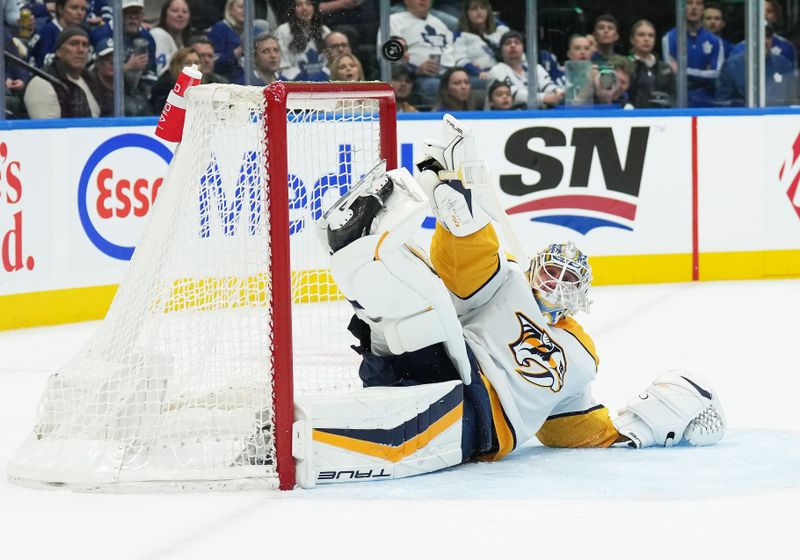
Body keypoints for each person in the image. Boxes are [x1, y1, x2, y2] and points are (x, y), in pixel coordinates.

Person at [296, 113, 727, 486]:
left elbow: (571, 427)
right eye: (551, 271)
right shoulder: (508, 284)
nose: (554, 283)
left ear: (580, 297)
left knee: (415, 310)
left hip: (476, 423)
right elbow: (469, 271)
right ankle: (361, 244)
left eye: (566, 279)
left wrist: (639, 430)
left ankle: (363, 255)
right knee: (416, 304)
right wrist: (459, 222)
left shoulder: (582, 357)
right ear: (535, 268)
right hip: (447, 365)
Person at [386, 0, 456, 107]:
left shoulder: (440, 24)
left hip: (449, 74)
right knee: (434, 86)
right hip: (417, 76)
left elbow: (454, 51)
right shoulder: (394, 21)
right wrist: (415, 70)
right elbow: (388, 57)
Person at [24, 25, 102, 119]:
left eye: (85, 45)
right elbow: (48, 130)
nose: (81, 50)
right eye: (73, 44)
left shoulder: (92, 79)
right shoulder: (42, 82)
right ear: (59, 51)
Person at [715, 23, 796, 106]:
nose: (765, 41)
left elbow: (792, 101)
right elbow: (722, 103)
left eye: (768, 36)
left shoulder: (784, 65)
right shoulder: (731, 66)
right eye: (760, 35)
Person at [662, 0, 724, 107]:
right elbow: (672, 73)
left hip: (708, 100)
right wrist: (704, 72)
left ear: (703, 9)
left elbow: (717, 73)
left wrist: (683, 70)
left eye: (698, 3)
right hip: (678, 100)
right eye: (689, 3)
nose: (694, 7)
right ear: (681, 7)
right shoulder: (669, 38)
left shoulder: (715, 41)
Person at [90, 0, 158, 91]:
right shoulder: (99, 34)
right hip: (101, 90)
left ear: (142, 16)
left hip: (135, 92)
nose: (133, 18)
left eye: (137, 13)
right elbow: (91, 72)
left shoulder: (147, 38)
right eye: (128, 13)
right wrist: (128, 67)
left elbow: (151, 74)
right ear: (117, 13)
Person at [487, 30, 563, 108]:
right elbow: (513, 94)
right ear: (501, 51)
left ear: (523, 48)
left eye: (517, 42)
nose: (513, 45)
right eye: (507, 43)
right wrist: (544, 98)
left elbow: (548, 85)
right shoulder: (496, 70)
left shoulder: (535, 68)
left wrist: (557, 92)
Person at [729, 0, 796, 70]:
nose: (764, 14)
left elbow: (790, 76)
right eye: (760, 10)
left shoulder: (786, 47)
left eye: (769, 11)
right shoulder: (739, 48)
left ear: (776, 16)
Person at [452, 0, 508, 81]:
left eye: (482, 8)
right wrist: (477, 71)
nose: (479, 12)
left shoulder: (501, 29)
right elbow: (461, 61)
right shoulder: (460, 36)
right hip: (482, 73)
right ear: (466, 13)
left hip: (507, 70)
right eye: (474, 9)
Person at [275, 0, 331, 81]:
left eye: (308, 4)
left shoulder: (325, 31)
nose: (304, 8)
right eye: (299, 5)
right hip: (294, 82)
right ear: (293, 9)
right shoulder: (283, 31)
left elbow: (331, 63)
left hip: (323, 82)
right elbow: (283, 66)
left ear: (314, 8)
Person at [628, 19, 675, 108]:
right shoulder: (625, 66)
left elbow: (673, 96)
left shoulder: (665, 68)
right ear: (632, 40)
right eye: (641, 35)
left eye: (651, 36)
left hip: (662, 117)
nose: (646, 39)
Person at [29, 0, 89, 68]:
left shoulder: (84, 33)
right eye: (74, 8)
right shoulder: (46, 33)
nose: (79, 13)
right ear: (60, 9)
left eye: (83, 9)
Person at [149, 46, 200, 113]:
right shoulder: (164, 89)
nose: (193, 66)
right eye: (187, 63)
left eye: (196, 63)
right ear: (177, 66)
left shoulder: (205, 85)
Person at [149, 0, 192, 77]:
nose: (180, 15)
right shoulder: (158, 34)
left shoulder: (183, 42)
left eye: (184, 12)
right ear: (165, 14)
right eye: (175, 11)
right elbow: (161, 72)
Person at [208, 0, 247, 84]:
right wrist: (235, 53)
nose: (244, 10)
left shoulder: (251, 30)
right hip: (226, 78)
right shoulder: (219, 29)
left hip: (245, 76)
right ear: (230, 10)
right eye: (240, 7)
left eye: (246, 8)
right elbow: (215, 63)